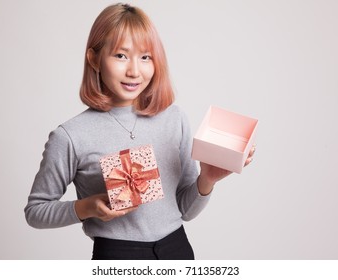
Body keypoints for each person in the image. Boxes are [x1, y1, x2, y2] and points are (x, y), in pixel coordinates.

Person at [24, 3, 255, 260]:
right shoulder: (70, 136)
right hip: (117, 255)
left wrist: (207, 179)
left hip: (177, 249)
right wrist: (85, 207)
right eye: (121, 56)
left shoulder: (174, 119)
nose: (134, 71)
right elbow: (35, 211)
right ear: (94, 59)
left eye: (145, 57)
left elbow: (185, 211)